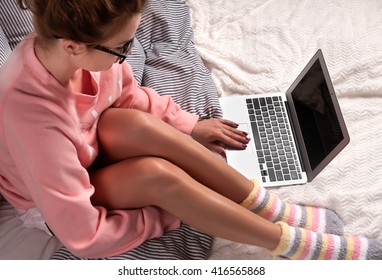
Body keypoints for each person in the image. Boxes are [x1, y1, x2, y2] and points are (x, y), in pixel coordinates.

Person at [0, 0, 380, 260]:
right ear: (72, 47)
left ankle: (268, 207)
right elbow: (83, 237)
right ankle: (291, 244)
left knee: (128, 121)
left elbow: (130, 96)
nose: (128, 55)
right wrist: (173, 211)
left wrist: (190, 126)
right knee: (155, 175)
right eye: (122, 47)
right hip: (54, 204)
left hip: (86, 153)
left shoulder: (83, 56)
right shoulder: (34, 117)